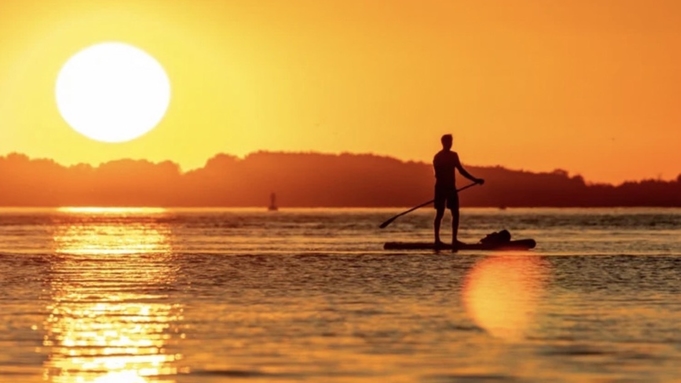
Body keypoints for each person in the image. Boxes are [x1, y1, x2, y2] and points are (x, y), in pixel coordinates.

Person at [433, 134, 484, 251]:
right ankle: (437, 240)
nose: (449, 144)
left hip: (451, 188)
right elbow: (437, 175)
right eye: (447, 142)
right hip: (441, 188)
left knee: (455, 213)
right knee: (439, 213)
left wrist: (475, 180)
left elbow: (461, 170)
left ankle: (454, 240)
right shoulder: (437, 157)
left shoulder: (454, 155)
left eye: (451, 142)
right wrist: (444, 190)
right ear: (443, 143)